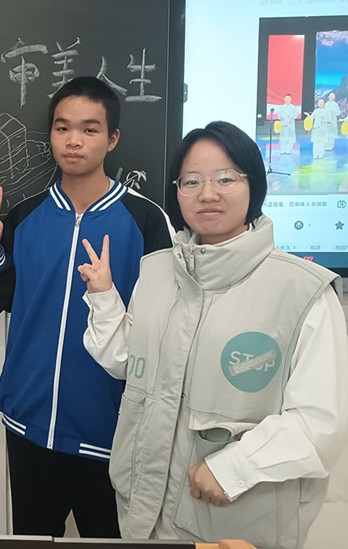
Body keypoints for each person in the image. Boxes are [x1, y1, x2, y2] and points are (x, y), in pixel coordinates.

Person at [79, 121, 348, 549]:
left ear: (253, 185)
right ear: (177, 191)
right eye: (191, 181)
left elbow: (320, 423)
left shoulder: (303, 291)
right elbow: (128, 364)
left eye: (225, 178)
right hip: (141, 515)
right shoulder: (157, 270)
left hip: (233, 525)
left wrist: (234, 468)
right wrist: (105, 298)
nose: (207, 194)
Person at [0, 76, 172, 538]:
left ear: (112, 138)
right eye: (62, 128)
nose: (73, 140)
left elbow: (163, 327)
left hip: (109, 430)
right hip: (28, 422)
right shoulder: (24, 215)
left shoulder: (145, 220)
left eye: (89, 129)